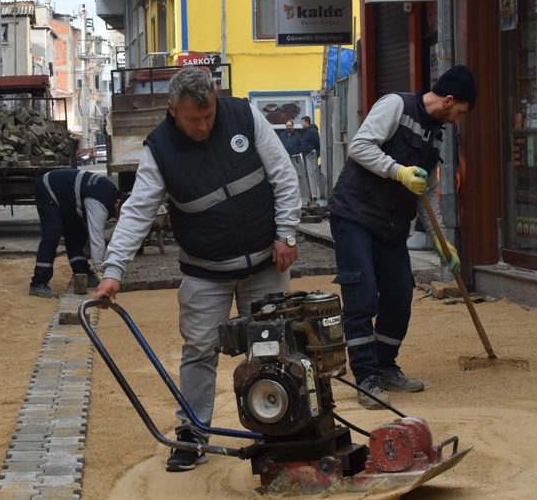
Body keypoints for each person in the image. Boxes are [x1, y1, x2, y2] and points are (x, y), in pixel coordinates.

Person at [93, 67, 301, 472]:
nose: (203, 125)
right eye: (193, 119)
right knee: (200, 350)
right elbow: (137, 212)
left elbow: (283, 176)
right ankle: (192, 431)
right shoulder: (159, 149)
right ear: (173, 111)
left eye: (208, 116)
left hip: (265, 262)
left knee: (273, 346)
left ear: (216, 98)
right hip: (206, 272)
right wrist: (113, 269)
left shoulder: (243, 116)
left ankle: (280, 426)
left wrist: (287, 234)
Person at [327, 65, 475, 409]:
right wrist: (398, 171)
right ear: (449, 100)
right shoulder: (395, 105)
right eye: (460, 113)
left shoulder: (435, 133)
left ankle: (384, 364)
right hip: (355, 216)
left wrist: (441, 241)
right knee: (361, 295)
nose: (457, 120)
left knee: (398, 295)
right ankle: (366, 378)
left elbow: (426, 188)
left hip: (392, 226)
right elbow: (360, 147)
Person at [29, 168, 123, 299]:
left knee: (76, 233)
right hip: (48, 188)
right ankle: (38, 283)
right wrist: (101, 273)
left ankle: (82, 273)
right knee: (53, 233)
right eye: (122, 214)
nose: (121, 219)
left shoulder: (111, 193)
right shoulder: (99, 202)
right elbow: (96, 239)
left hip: (68, 199)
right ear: (118, 204)